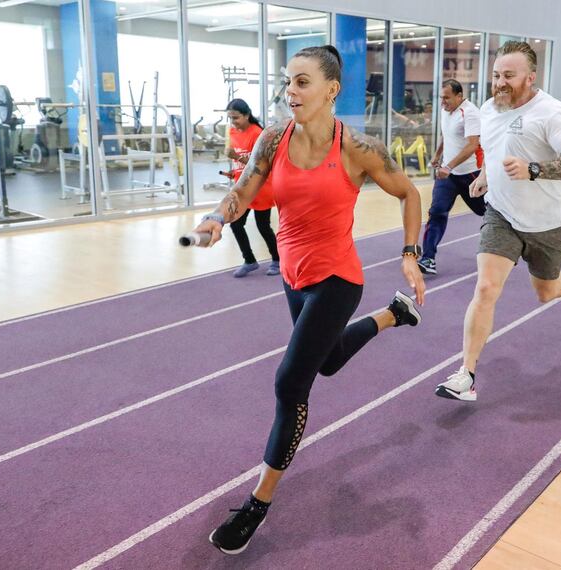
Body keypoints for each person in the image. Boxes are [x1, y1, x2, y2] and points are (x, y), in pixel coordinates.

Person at [189, 45, 427, 555]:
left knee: (291, 381)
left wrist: (410, 251)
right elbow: (245, 192)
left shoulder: (357, 148)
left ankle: (257, 505)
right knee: (331, 361)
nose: (289, 92)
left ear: (331, 89)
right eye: (286, 82)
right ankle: (393, 314)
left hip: (338, 277)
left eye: (300, 82)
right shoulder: (273, 139)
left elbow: (410, 194)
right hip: (293, 277)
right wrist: (216, 217)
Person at [435, 41, 561, 402]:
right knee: (486, 288)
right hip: (501, 215)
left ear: (530, 77)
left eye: (509, 75)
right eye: (495, 75)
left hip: (546, 222)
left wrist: (534, 169)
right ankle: (467, 375)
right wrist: (486, 177)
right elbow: (495, 152)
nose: (500, 82)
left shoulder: (552, 112)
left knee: (545, 291)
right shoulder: (491, 109)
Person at [418, 79, 486, 275]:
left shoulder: (470, 113)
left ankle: (505, 248)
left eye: (447, 98)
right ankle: (428, 258)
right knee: (437, 211)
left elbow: (473, 145)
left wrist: (448, 165)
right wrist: (438, 155)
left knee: (489, 213)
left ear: (459, 96)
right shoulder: (445, 111)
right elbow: (446, 135)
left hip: (470, 174)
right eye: (441, 98)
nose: (443, 102)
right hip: (448, 177)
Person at [224, 99, 281, 277]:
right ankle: (249, 260)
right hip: (242, 187)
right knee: (236, 223)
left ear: (247, 115)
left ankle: (277, 260)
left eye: (236, 118)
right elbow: (240, 162)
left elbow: (261, 165)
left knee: (263, 226)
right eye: (230, 118)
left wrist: (237, 158)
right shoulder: (232, 132)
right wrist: (234, 172)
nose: (233, 122)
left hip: (260, 186)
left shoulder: (258, 134)